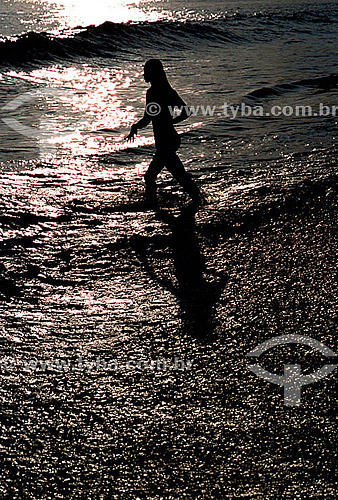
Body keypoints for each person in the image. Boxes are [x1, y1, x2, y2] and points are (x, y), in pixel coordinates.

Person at [126, 59, 201, 205]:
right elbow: (148, 119)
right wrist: (135, 126)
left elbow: (185, 111)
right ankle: (196, 199)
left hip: (167, 141)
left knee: (153, 176)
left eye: (146, 71)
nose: (143, 74)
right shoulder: (159, 92)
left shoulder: (159, 92)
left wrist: (170, 122)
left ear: (153, 73)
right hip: (167, 140)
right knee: (178, 175)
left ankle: (153, 204)